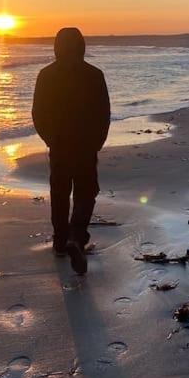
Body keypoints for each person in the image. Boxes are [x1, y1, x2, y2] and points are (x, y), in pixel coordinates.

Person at [32, 28, 110, 275]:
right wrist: (97, 141)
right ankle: (76, 236)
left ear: (57, 46)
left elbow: (38, 113)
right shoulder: (94, 74)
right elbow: (103, 113)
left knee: (60, 191)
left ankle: (59, 241)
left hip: (59, 144)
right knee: (87, 191)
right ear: (82, 46)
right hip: (86, 143)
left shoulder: (46, 75)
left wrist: (50, 139)